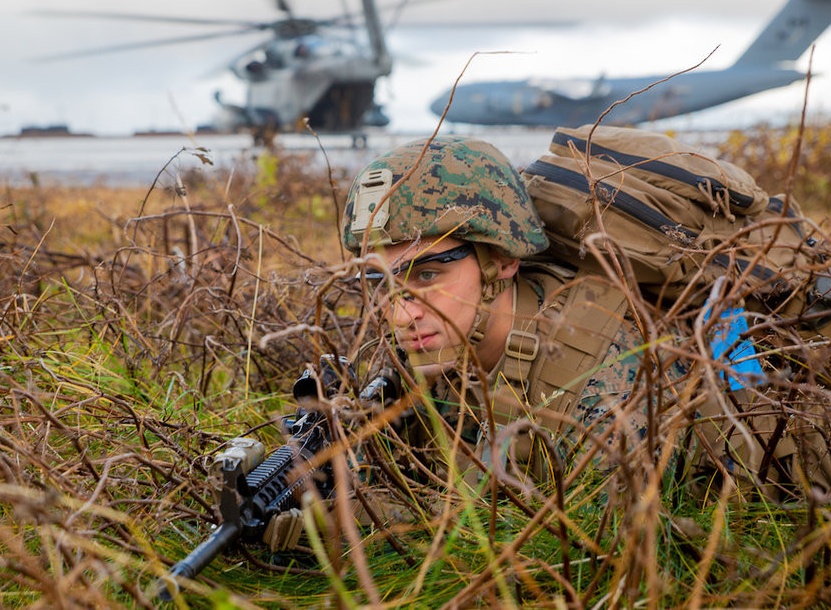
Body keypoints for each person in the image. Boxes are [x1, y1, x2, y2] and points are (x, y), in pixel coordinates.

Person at [339, 134, 798, 492]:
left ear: (499, 262)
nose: (401, 316)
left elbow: (577, 557)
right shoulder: (440, 342)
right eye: (382, 283)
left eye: (427, 275)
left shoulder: (599, 387)